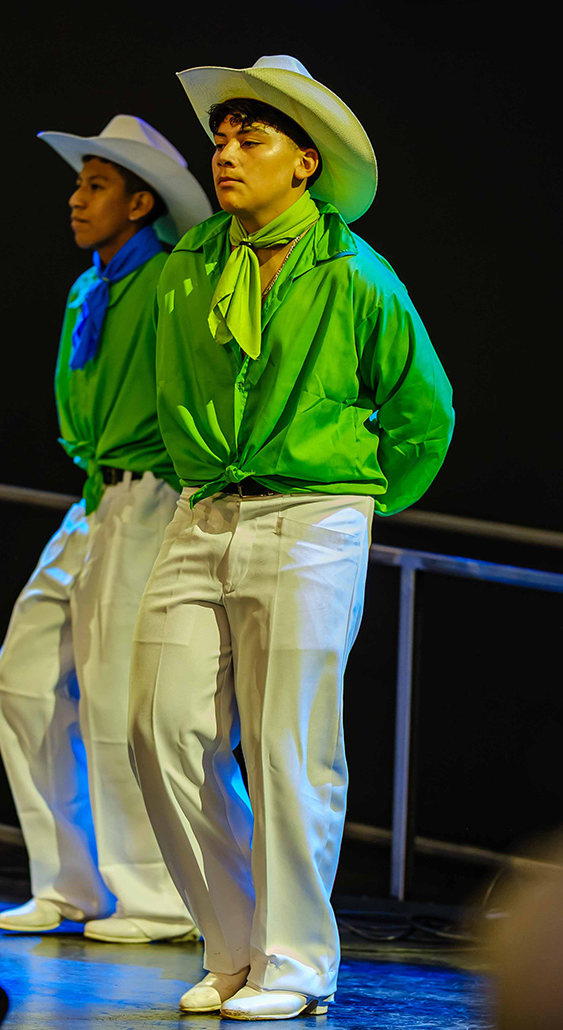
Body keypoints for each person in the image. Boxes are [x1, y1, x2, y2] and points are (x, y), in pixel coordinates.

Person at [128, 55, 454, 1016]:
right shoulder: (190, 269)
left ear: (303, 163)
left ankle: (298, 965)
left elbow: (424, 413)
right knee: (159, 724)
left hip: (313, 515)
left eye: (250, 138)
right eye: (220, 137)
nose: (225, 153)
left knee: (287, 748)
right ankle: (233, 946)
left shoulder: (358, 274)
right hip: (207, 508)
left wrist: (352, 502)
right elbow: (169, 392)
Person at [0, 115, 211, 943]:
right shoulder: (92, 286)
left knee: (119, 695)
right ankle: (67, 882)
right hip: (94, 495)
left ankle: (157, 895)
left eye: (96, 185)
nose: (77, 199)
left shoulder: (169, 281)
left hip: (151, 493)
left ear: (140, 200)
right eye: (80, 182)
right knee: (21, 677)